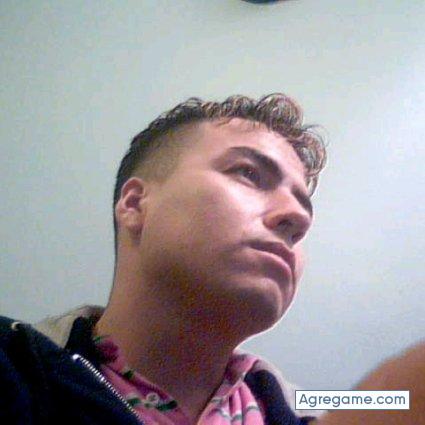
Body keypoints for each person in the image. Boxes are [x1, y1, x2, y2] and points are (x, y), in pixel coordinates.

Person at [1, 93, 423, 424]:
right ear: (134, 204)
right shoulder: (14, 365)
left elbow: (389, 402)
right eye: (249, 173)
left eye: (303, 208)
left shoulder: (307, 405)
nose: (297, 219)